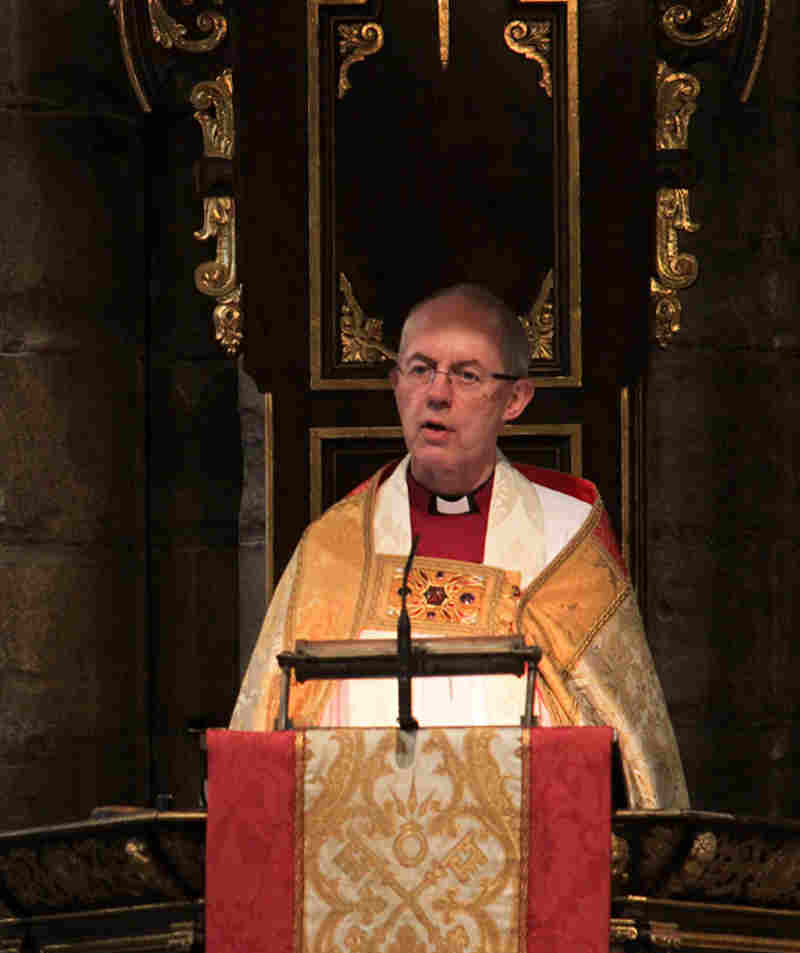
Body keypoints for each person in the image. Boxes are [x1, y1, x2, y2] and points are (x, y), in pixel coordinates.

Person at [230, 284, 689, 809]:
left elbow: (634, 755)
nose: (437, 394)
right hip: (361, 835)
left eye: (467, 375)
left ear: (515, 399)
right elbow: (264, 739)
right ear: (396, 385)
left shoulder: (565, 541)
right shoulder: (335, 547)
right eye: (420, 369)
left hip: (525, 834)